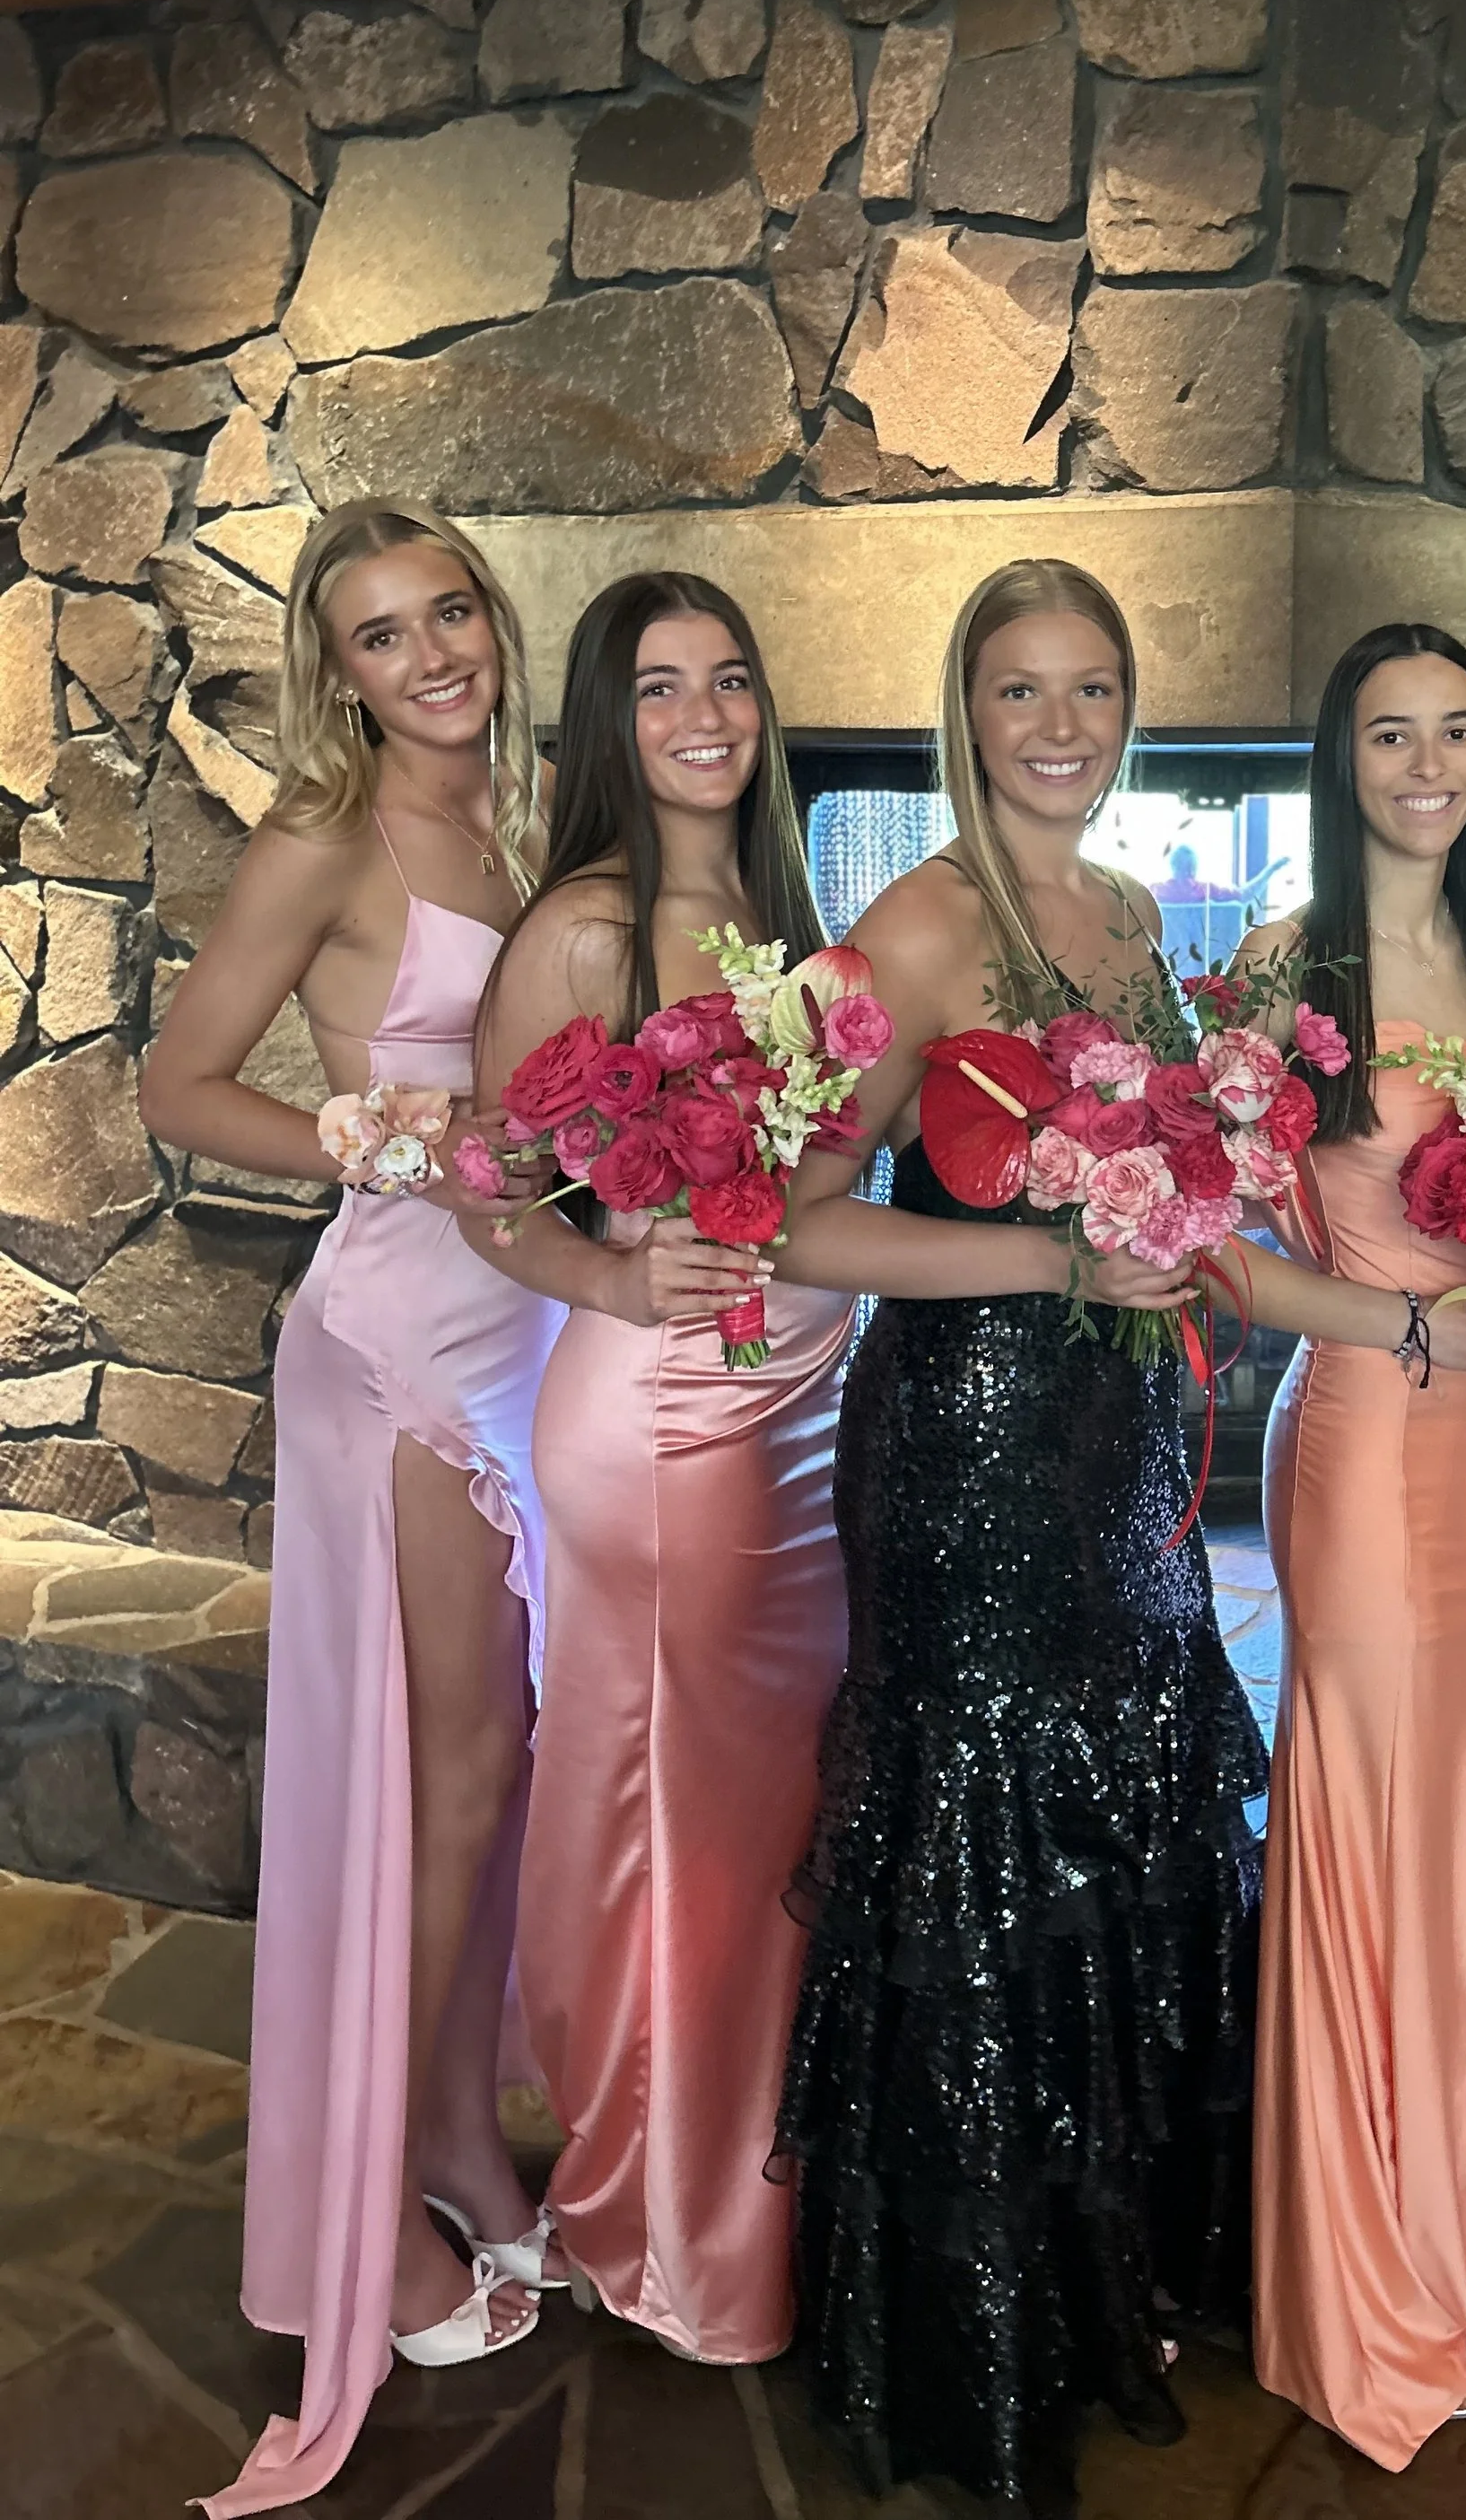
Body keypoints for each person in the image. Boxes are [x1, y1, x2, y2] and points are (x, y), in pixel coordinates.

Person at [772, 559, 1466, 2515]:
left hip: (1123, 1444)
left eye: (1092, 688)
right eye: (1021, 690)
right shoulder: (916, 920)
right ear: (968, 706)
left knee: (1118, 1854)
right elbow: (797, 1220)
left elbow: (1212, 1201)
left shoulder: (1129, 920)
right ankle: (973, 2351)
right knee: (986, 1877)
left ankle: (1114, 2300)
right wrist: (1047, 1249)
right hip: (965, 1450)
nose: (1060, 725)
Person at [142, 502, 565, 2515]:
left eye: (449, 614)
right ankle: (377, 2225)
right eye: (383, 639)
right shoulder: (327, 838)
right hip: (399, 1346)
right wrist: (363, 1132)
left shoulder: (535, 810)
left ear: (492, 617)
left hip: (534, 1331)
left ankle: (465, 2144)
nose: (430, 659)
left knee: (499, 1771)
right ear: (343, 674)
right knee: (440, 1784)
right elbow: (177, 1079)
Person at [467, 571, 849, 2367]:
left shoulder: (781, 913)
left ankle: (747, 2191)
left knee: (764, 1828)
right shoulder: (585, 926)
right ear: (609, 725)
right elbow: (490, 1181)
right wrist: (609, 1268)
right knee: (671, 1829)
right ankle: (656, 2218)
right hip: (664, 1427)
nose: (705, 716)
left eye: (731, 680)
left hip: (801, 1428)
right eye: (660, 688)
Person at [1243, 622, 1466, 2472]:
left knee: (1462, 1830)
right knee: (1373, 1833)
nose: (1425, 762)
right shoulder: (1278, 969)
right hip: (1369, 1451)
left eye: (1455, 730)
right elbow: (1224, 1253)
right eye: (1389, 733)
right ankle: (1361, 2273)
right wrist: (1393, 1331)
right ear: (1341, 756)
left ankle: (1449, 2206)